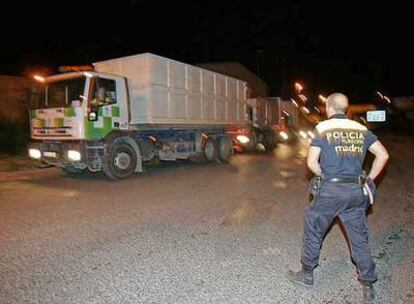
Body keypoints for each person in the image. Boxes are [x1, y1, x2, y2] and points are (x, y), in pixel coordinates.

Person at [287, 93, 389, 303]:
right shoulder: (361, 129)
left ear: (328, 107)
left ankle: (307, 273)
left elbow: (312, 162)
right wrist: (369, 179)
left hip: (330, 190)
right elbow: (383, 155)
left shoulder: (323, 128)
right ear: (346, 108)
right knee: (359, 237)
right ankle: (368, 283)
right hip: (355, 191)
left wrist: (324, 175)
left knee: (314, 228)